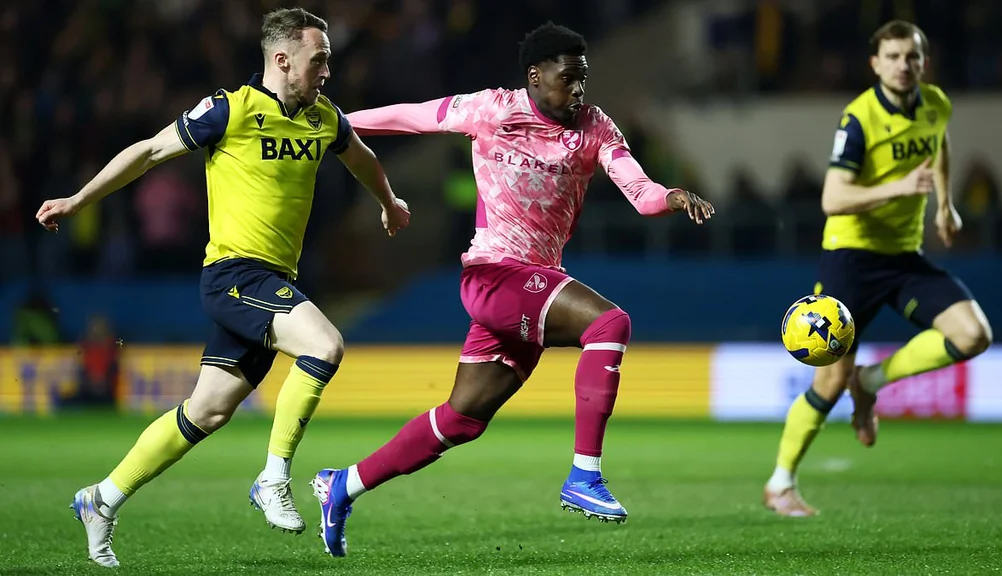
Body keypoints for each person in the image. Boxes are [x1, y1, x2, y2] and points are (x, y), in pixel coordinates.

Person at [309, 22, 714, 557]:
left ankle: (344, 486)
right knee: (610, 323)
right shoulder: (492, 110)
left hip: (532, 284)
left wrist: (671, 194)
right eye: (569, 78)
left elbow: (638, 192)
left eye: (584, 78)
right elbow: (410, 117)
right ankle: (584, 476)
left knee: (462, 419)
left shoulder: (595, 127)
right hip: (493, 275)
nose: (578, 90)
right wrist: (332, 123)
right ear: (535, 76)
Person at [36, 8, 410, 567]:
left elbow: (363, 158)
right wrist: (78, 200)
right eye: (320, 60)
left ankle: (101, 499)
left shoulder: (323, 118)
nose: (327, 72)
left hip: (274, 279)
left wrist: (389, 201)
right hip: (234, 275)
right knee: (324, 345)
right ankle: (274, 476)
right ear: (283, 60)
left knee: (208, 411)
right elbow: (148, 151)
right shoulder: (230, 109)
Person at [763, 20, 992, 517]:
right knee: (826, 381)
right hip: (851, 257)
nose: (903, 66)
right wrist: (900, 188)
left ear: (923, 62)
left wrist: (946, 206)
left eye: (911, 57)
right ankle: (780, 483)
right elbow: (832, 197)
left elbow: (940, 145)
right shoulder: (860, 118)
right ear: (875, 64)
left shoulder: (936, 104)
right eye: (892, 57)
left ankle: (869, 383)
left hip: (903, 256)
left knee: (974, 335)